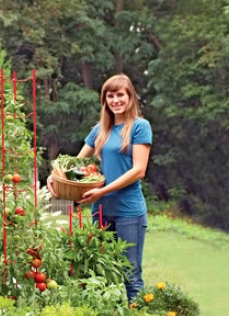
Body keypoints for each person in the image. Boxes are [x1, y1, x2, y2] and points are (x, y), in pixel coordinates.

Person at [47, 73, 152, 303]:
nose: (116, 100)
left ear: (130, 97)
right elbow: (74, 163)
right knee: (103, 272)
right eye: (110, 96)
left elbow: (138, 170)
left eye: (120, 95)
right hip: (102, 211)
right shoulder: (100, 131)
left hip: (129, 211)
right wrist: (54, 176)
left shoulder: (139, 127)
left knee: (130, 275)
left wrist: (102, 191)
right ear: (105, 100)